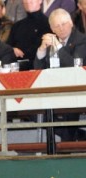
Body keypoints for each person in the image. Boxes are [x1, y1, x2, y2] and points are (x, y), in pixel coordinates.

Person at [34, 8, 86, 141]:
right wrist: (41, 50)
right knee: (32, 109)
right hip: (54, 89)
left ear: (71, 23)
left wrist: (58, 46)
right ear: (52, 28)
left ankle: (68, 144)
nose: (61, 28)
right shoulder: (51, 42)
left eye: (64, 24)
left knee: (69, 107)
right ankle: (78, 135)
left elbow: (74, 66)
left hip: (78, 89)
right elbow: (38, 70)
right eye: (57, 26)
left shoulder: (81, 40)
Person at [8, 0, 51, 70]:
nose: (28, 1)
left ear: (40, 1)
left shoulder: (48, 24)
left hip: (40, 68)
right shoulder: (17, 26)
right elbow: (8, 46)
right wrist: (12, 49)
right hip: (17, 69)